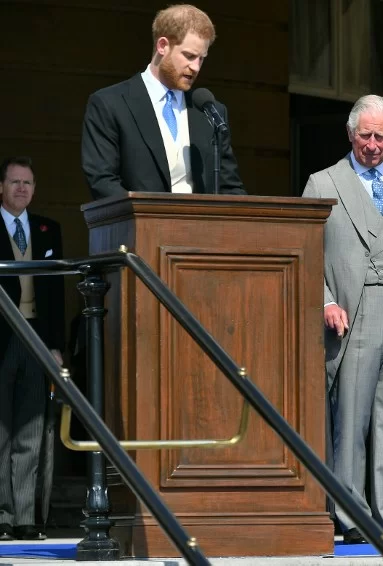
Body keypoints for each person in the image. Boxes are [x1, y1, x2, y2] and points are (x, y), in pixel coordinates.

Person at [302, 95, 383, 545]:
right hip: (352, 311)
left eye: (382, 136)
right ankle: (350, 511)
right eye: (365, 135)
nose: (373, 144)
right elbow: (305, 254)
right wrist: (324, 301)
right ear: (349, 133)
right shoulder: (323, 183)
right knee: (352, 416)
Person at [81, 4, 245, 199]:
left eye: (202, 59)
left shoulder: (210, 112)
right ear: (162, 46)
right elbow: (102, 180)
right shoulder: (110, 104)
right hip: (139, 226)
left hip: (202, 228)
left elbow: (230, 187)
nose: (195, 67)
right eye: (189, 56)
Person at [0, 157, 65, 541]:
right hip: (1, 338)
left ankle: (25, 516)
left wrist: (55, 346)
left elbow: (56, 294)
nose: (21, 188)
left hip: (36, 338)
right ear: (1, 187)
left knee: (31, 428)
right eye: (14, 182)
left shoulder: (47, 229)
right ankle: (2, 515)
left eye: (27, 182)